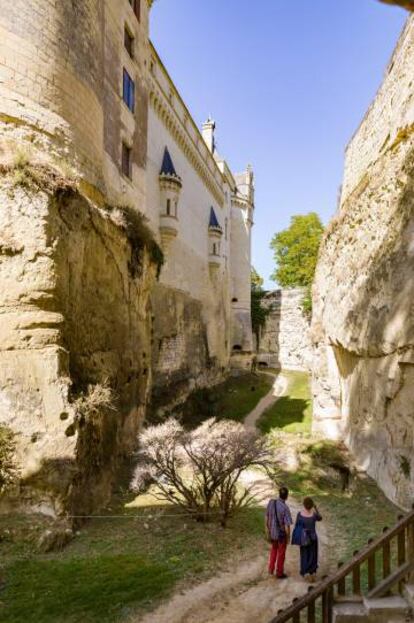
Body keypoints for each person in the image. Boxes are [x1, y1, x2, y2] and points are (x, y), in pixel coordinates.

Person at [293, 497, 322, 582]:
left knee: (304, 554)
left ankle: (305, 571)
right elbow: (320, 518)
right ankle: (312, 572)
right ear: (311, 506)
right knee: (313, 555)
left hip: (304, 538)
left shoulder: (299, 514)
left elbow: (297, 526)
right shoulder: (314, 515)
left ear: (304, 505)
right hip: (313, 538)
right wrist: (316, 508)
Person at [265, 486, 293, 579]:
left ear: (279, 494)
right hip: (281, 535)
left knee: (273, 550)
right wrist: (288, 537)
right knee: (281, 553)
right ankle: (279, 572)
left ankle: (270, 569)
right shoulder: (285, 508)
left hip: (272, 533)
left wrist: (267, 530)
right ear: (287, 496)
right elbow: (287, 525)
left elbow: (267, 516)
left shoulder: (271, 502)